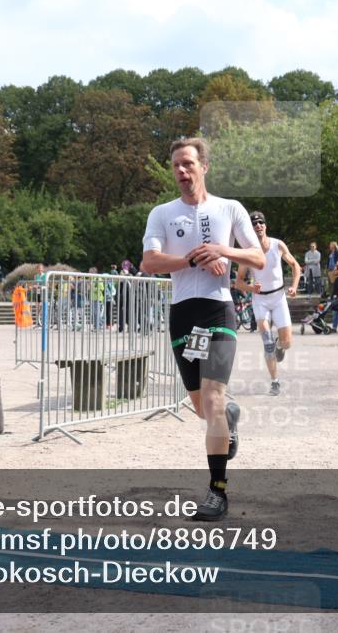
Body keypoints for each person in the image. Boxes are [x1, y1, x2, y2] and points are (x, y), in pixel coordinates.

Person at [141, 137, 264, 522]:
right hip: (183, 314)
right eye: (176, 165)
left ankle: (217, 492)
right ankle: (229, 415)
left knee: (211, 399)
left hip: (218, 312)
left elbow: (258, 257)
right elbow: (149, 262)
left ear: (204, 167)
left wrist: (224, 251)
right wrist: (192, 258)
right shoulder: (162, 212)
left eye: (188, 164)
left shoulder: (230, 208)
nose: (181, 171)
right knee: (202, 408)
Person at [235, 211, 300, 396]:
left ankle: (281, 346)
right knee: (267, 342)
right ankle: (275, 381)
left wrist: (294, 287)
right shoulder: (248, 252)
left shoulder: (277, 245)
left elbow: (295, 265)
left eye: (260, 223)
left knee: (287, 343)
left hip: (279, 298)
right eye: (254, 224)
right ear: (251, 228)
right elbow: (238, 282)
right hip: (260, 300)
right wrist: (250, 288)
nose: (257, 226)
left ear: (265, 226)